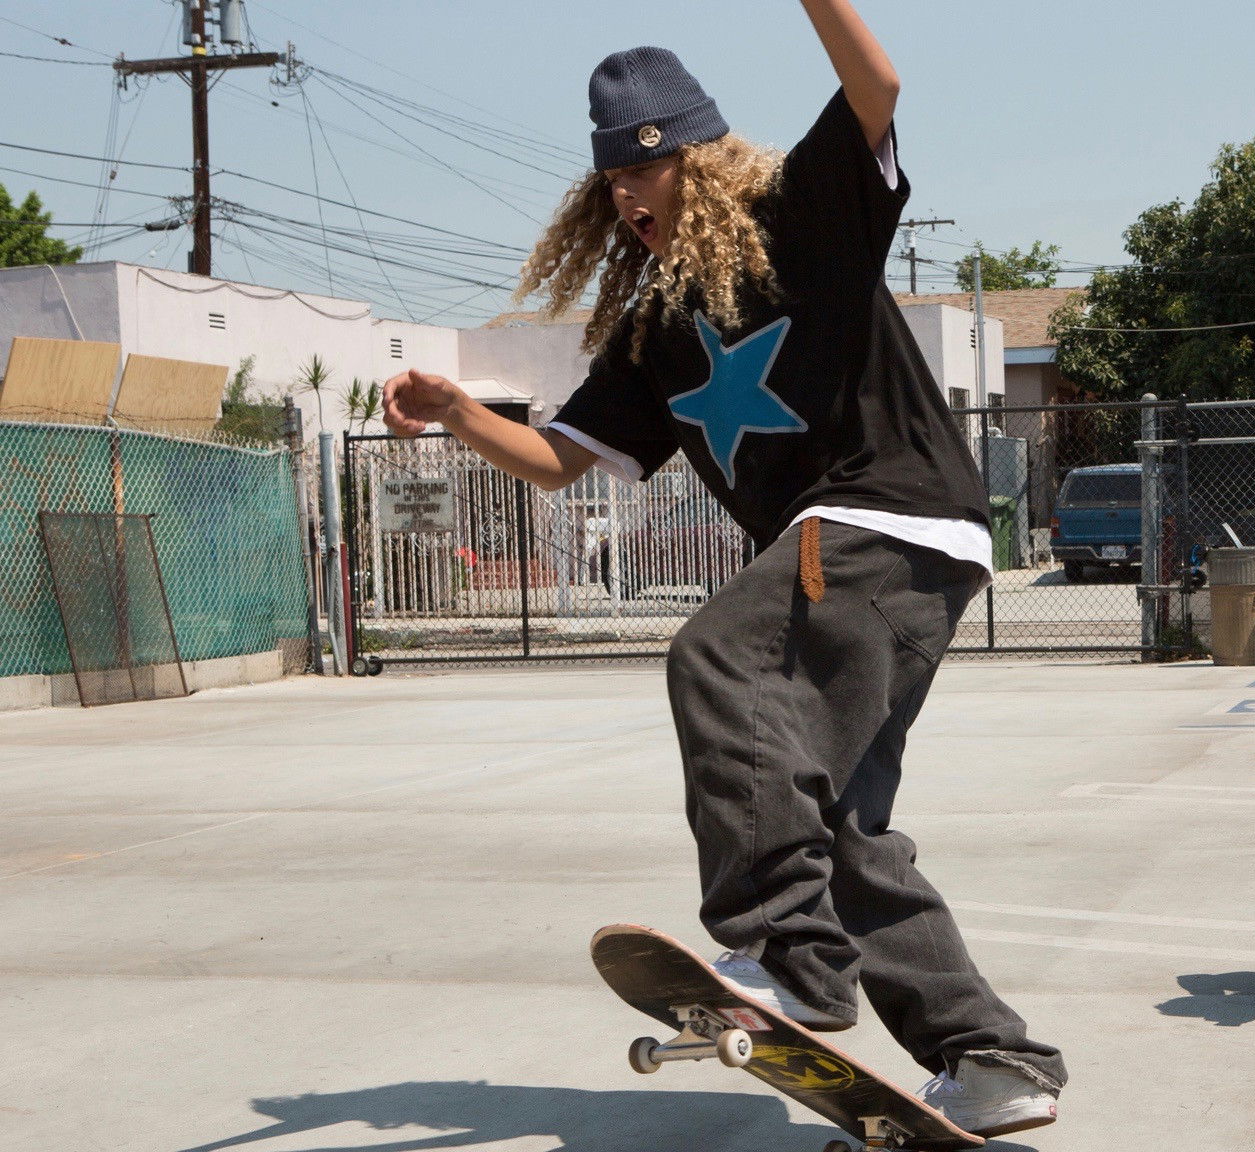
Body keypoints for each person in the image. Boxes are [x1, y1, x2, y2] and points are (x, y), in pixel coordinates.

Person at [379, 2, 1062, 1136]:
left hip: (883, 515)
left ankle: (787, 955)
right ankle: (992, 1057)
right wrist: (459, 411)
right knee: (837, 828)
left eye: (645, 175)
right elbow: (559, 460)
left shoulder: (804, 215)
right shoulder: (652, 331)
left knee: (717, 658)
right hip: (883, 560)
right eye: (610, 185)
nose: (627, 201)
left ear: (701, 162)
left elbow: (876, 91)